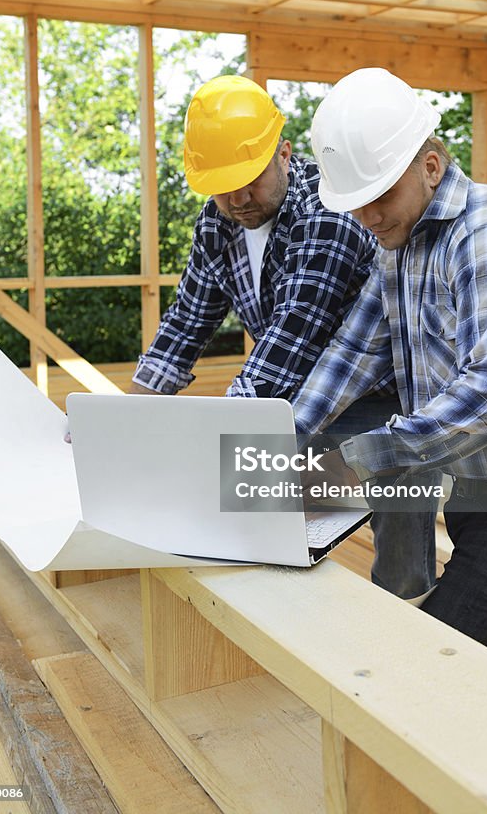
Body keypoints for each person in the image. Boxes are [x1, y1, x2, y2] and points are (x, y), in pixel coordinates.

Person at [291, 67, 487, 690]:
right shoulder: (401, 245)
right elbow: (353, 351)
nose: (368, 214)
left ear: (431, 165)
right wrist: (283, 442)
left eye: (380, 193)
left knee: (420, 669)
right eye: (356, 200)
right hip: (478, 491)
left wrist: (356, 460)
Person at [130, 73, 438, 599]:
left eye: (250, 178)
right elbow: (186, 321)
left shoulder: (328, 213)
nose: (238, 197)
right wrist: (125, 418)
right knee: (259, 513)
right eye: (222, 186)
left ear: (284, 154)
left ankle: (406, 611)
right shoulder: (217, 223)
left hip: (378, 395)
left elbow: (289, 342)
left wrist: (218, 443)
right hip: (291, 395)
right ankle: (272, 603)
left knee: (397, 495)